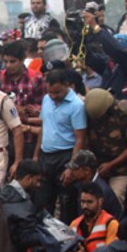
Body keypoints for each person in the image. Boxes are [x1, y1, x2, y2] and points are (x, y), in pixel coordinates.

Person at [34, 69, 88, 220]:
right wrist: (36, 155)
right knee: (43, 200)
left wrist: (71, 166)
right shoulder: (47, 99)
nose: (53, 96)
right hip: (46, 155)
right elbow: (44, 128)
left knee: (66, 202)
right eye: (50, 92)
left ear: (67, 85)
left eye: (57, 92)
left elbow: (80, 138)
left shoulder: (76, 105)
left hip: (65, 156)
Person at [84, 88, 127, 205]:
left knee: (115, 197)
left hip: (121, 166)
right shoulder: (86, 110)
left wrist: (111, 165)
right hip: (97, 165)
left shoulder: (126, 113)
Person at [60, 182, 120, 252]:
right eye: (82, 202)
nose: (85, 206)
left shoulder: (111, 224)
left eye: (89, 202)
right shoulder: (75, 224)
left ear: (100, 202)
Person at [0, 40, 46, 159]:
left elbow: (44, 107)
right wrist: (13, 109)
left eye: (12, 62)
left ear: (22, 60)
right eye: (5, 61)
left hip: (29, 137)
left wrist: (29, 112)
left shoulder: (36, 79)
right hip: (5, 137)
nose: (8, 65)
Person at [62, 150, 123, 221]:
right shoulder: (78, 185)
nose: (71, 171)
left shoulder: (102, 191)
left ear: (87, 170)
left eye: (75, 169)